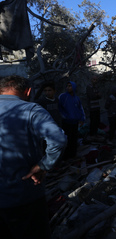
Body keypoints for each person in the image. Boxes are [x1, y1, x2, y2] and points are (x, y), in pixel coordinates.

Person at [0, 75, 67, 239]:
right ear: (28, 91)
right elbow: (58, 139)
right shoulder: (31, 109)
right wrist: (43, 166)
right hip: (24, 196)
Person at [59, 81, 85, 160]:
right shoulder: (63, 96)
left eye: (70, 86)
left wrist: (82, 119)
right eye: (67, 86)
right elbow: (59, 109)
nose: (68, 87)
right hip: (67, 122)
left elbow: (80, 109)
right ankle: (66, 156)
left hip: (75, 122)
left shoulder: (76, 98)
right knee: (67, 140)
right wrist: (65, 117)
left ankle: (73, 155)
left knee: (74, 139)